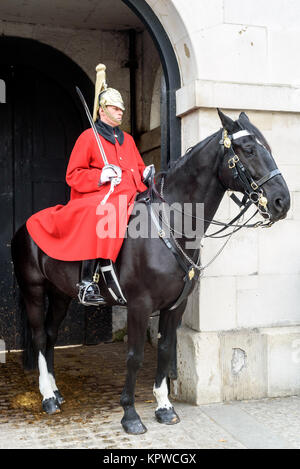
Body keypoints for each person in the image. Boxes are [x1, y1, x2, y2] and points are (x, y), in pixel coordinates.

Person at [26, 63, 154, 306]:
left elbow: (137, 168)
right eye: (115, 108)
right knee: (101, 213)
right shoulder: (88, 138)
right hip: (99, 195)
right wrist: (101, 176)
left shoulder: (127, 140)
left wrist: (145, 172)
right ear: (102, 111)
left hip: (130, 192)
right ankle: (87, 282)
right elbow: (73, 175)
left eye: (122, 109)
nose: (120, 112)